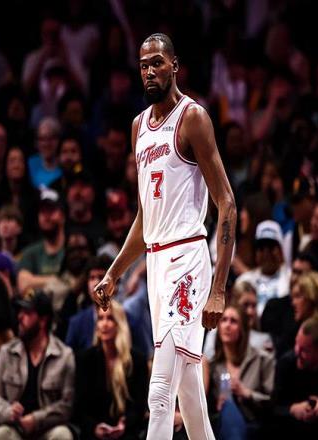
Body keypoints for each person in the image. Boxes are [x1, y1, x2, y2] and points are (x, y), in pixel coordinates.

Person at [94, 33, 236, 440]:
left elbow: (227, 203)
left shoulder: (193, 118)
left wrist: (219, 289)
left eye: (157, 62)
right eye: (143, 65)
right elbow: (145, 217)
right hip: (156, 265)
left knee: (160, 392)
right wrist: (115, 272)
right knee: (189, 391)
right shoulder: (138, 126)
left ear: (174, 65)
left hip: (188, 259)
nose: (149, 71)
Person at [0, 290, 75, 440]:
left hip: (48, 428)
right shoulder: (7, 352)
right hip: (15, 427)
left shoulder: (64, 356)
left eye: (27, 313)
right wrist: (8, 411)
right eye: (20, 311)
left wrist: (36, 419)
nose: (20, 317)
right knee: (2, 434)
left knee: (62, 435)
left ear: (43, 320)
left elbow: (67, 405)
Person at [74, 301, 148, 440]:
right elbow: (79, 408)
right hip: (93, 433)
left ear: (120, 324)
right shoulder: (85, 359)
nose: (104, 324)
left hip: (127, 432)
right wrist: (94, 428)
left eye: (110, 318)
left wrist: (124, 424)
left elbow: (139, 406)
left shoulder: (137, 360)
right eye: (100, 318)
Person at [271, 317, 318, 439]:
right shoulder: (286, 362)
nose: (297, 352)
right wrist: (292, 409)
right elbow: (273, 408)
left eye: (304, 350)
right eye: (296, 344)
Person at [208, 304, 275, 439]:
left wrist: (246, 393)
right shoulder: (213, 366)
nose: (227, 325)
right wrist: (218, 404)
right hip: (223, 424)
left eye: (233, 321)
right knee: (227, 409)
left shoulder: (262, 359)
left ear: (242, 328)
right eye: (224, 320)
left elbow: (273, 401)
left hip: (255, 422)